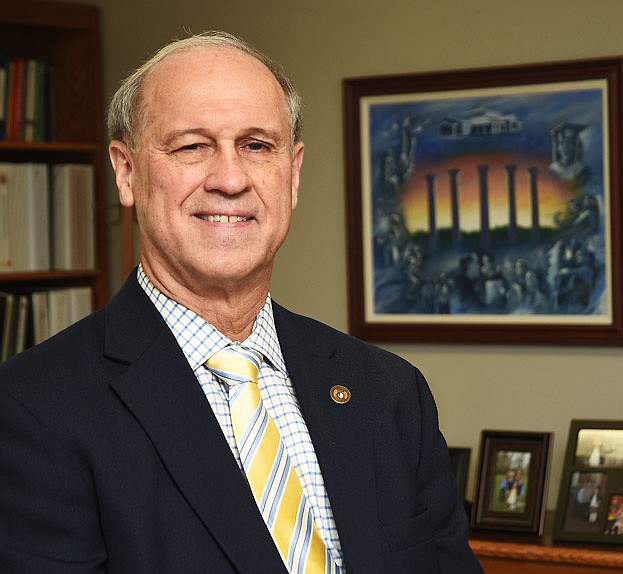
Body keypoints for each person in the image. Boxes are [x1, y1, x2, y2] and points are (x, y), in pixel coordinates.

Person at [0, 31, 483, 574]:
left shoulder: (390, 393)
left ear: (292, 174)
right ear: (127, 171)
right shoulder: (32, 411)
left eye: (256, 146)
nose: (230, 179)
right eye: (191, 146)